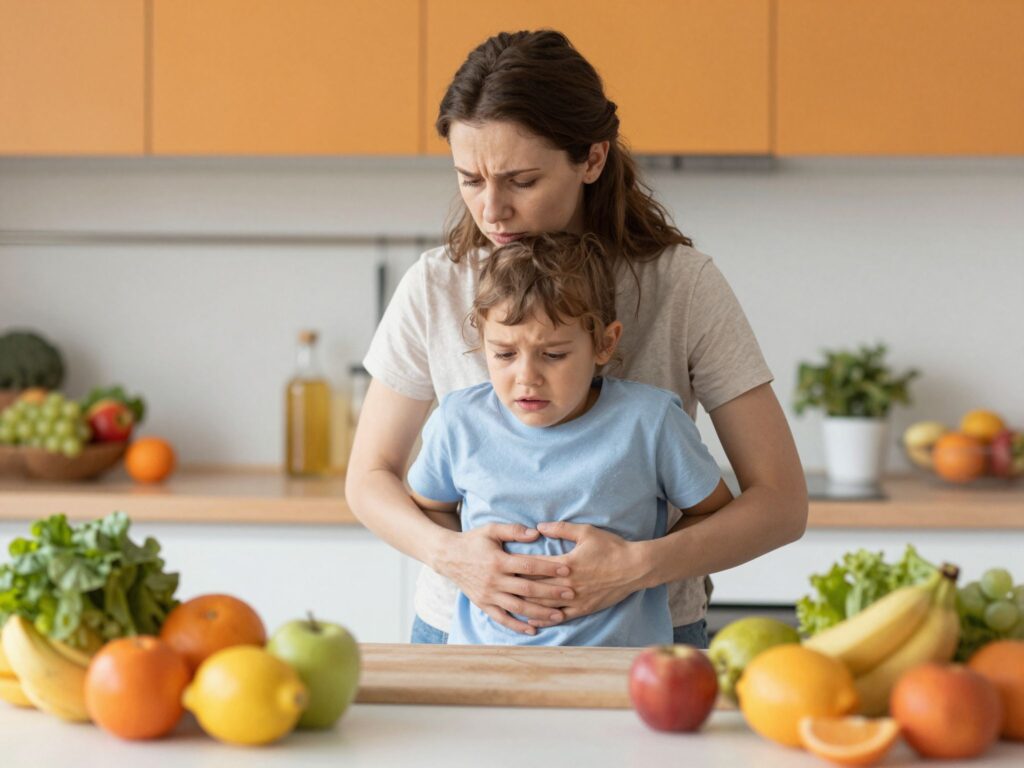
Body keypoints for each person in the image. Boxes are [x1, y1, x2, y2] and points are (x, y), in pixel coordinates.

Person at [347, 29, 807, 647]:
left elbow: (781, 504)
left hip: (649, 641)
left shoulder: (683, 285)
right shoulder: (436, 283)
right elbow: (369, 477)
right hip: (459, 633)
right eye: (470, 180)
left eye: (521, 181)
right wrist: (453, 556)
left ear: (592, 159)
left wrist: (638, 567)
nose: (492, 211)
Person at [406, 232, 734, 646]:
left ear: (604, 343)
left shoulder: (650, 422)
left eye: (554, 354)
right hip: (481, 669)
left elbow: (715, 514)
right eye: (504, 354)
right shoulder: (458, 421)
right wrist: (461, 558)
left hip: (622, 673)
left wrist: (637, 566)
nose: (526, 377)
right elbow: (428, 508)